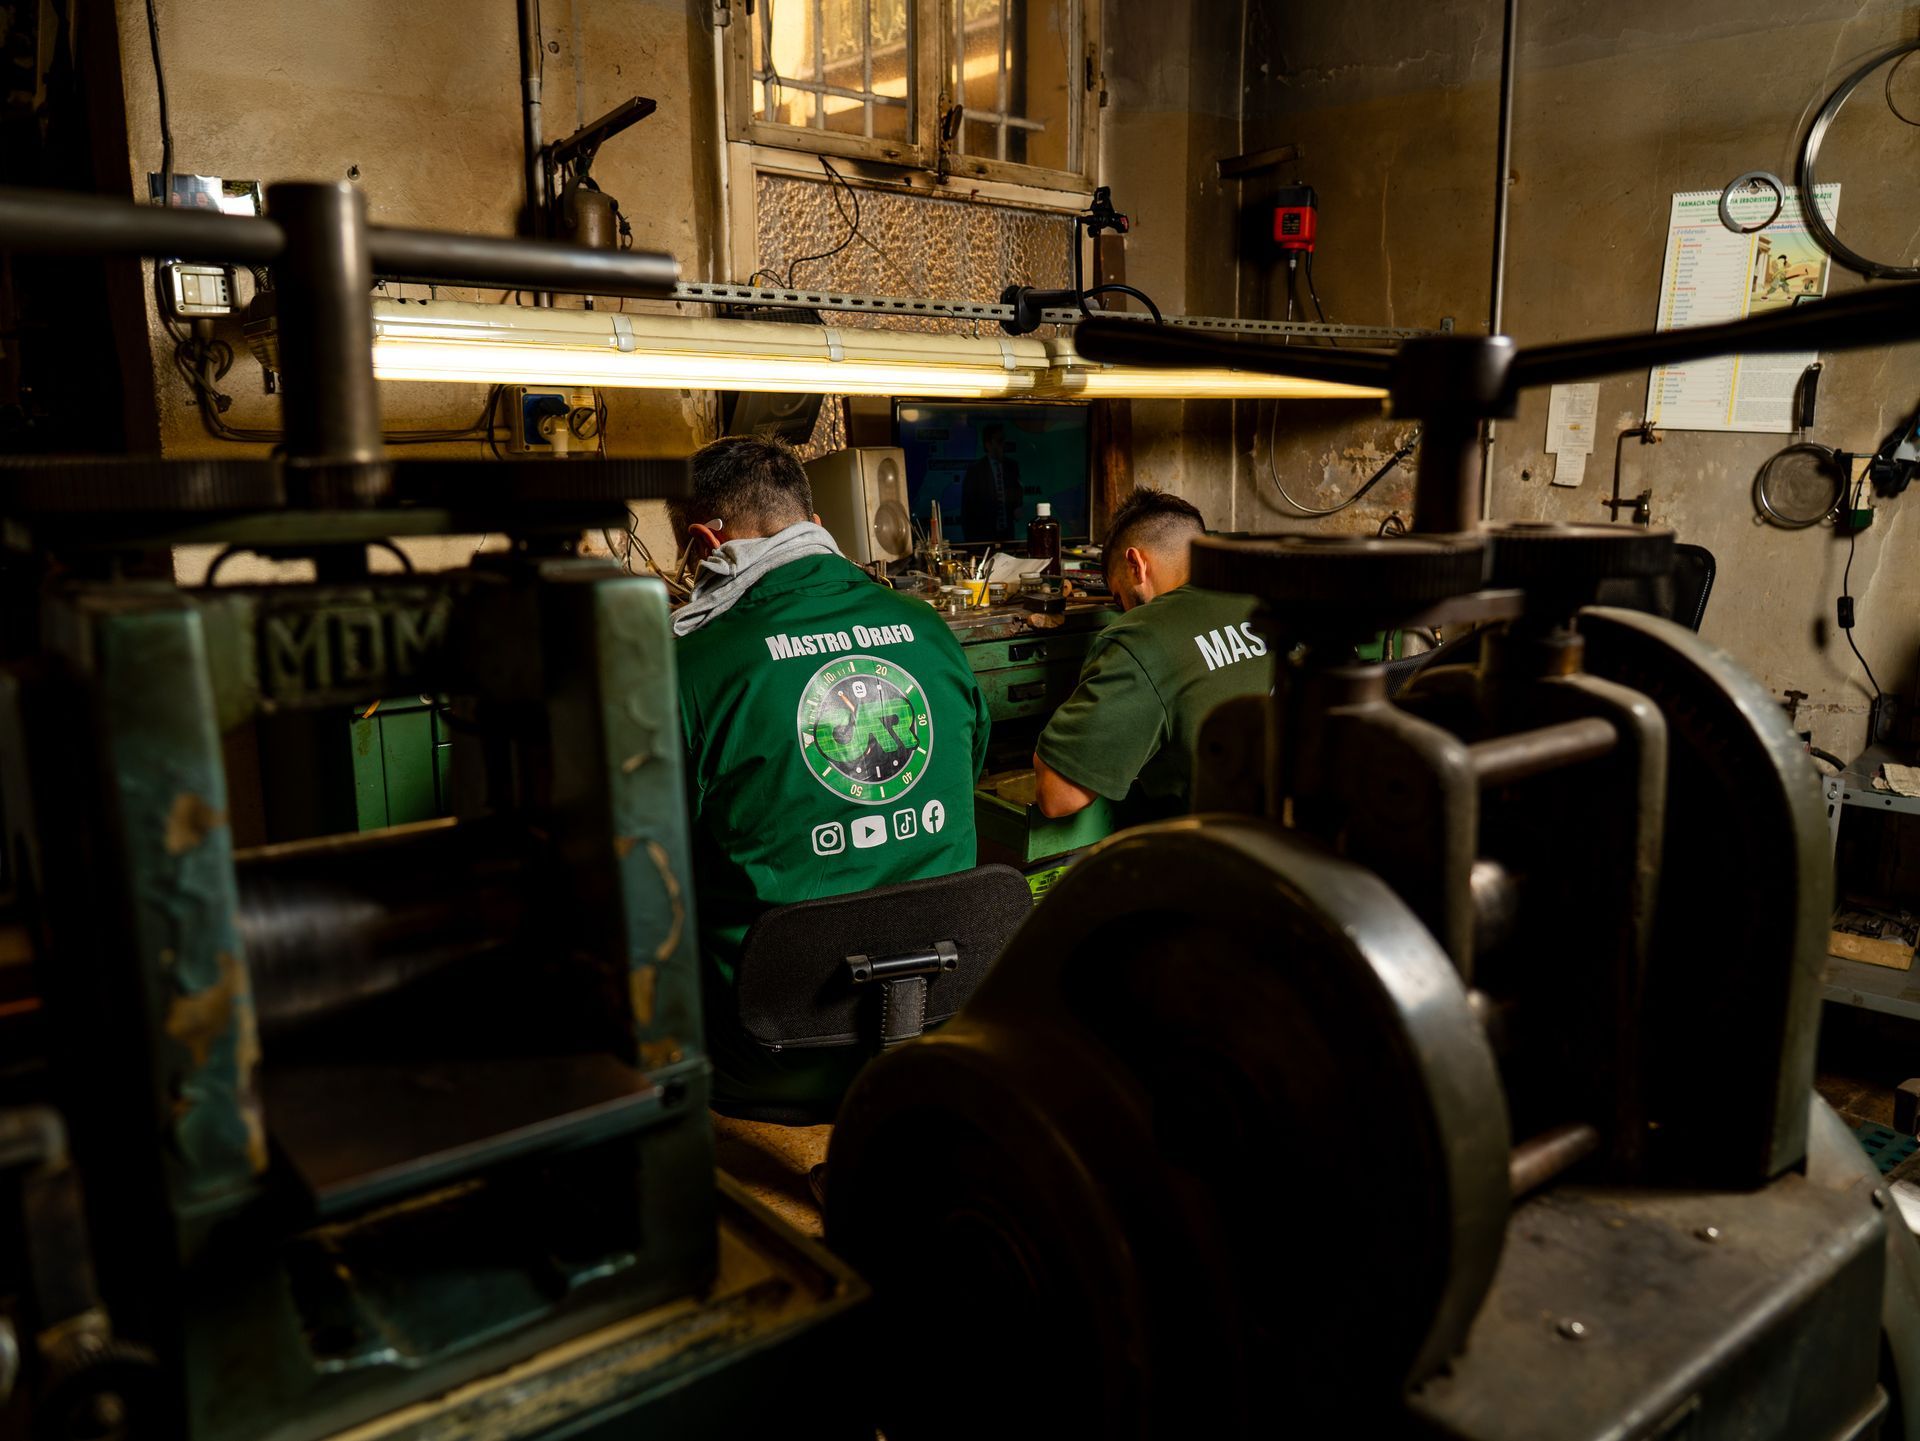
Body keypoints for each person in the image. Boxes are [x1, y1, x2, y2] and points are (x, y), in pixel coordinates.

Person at [674, 434, 992, 1112]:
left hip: (769, 1051)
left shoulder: (688, 668)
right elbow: (968, 769)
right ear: (817, 529)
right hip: (937, 1017)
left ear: (705, 545)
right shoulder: (929, 630)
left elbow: (647, 857)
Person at [1032, 487, 1269, 818]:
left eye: (1119, 598)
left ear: (1135, 564)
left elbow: (1058, 796)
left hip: (1230, 857)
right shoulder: (1271, 595)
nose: (1123, 610)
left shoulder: (1142, 637)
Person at [961, 423, 1024, 541]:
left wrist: (1018, 506)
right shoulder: (975, 470)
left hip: (1008, 536)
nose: (1003, 445)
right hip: (983, 538)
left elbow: (1017, 492)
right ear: (988, 444)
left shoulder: (1012, 466)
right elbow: (967, 510)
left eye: (1003, 440)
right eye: (999, 441)